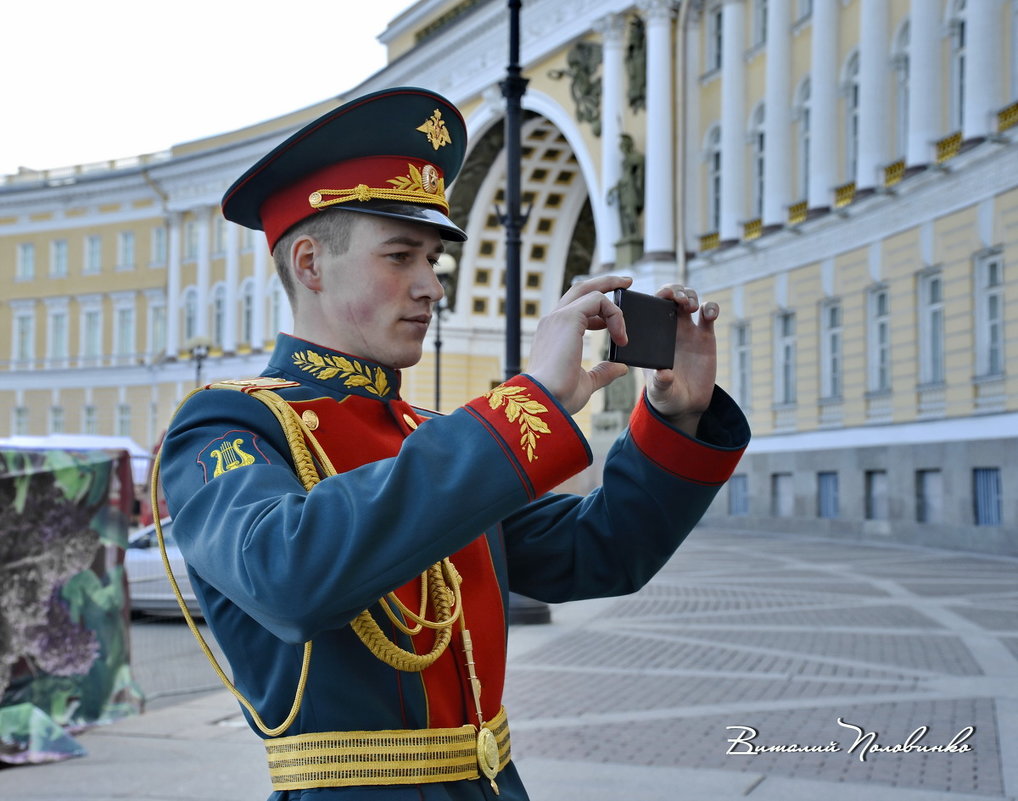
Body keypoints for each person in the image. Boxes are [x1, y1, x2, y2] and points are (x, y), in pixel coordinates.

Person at [156, 86, 750, 801]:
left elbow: (601, 551)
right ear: (309, 264)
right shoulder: (226, 426)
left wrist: (674, 418)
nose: (431, 286)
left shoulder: (433, 437)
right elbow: (290, 574)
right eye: (401, 256)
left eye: (433, 259)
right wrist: (527, 402)